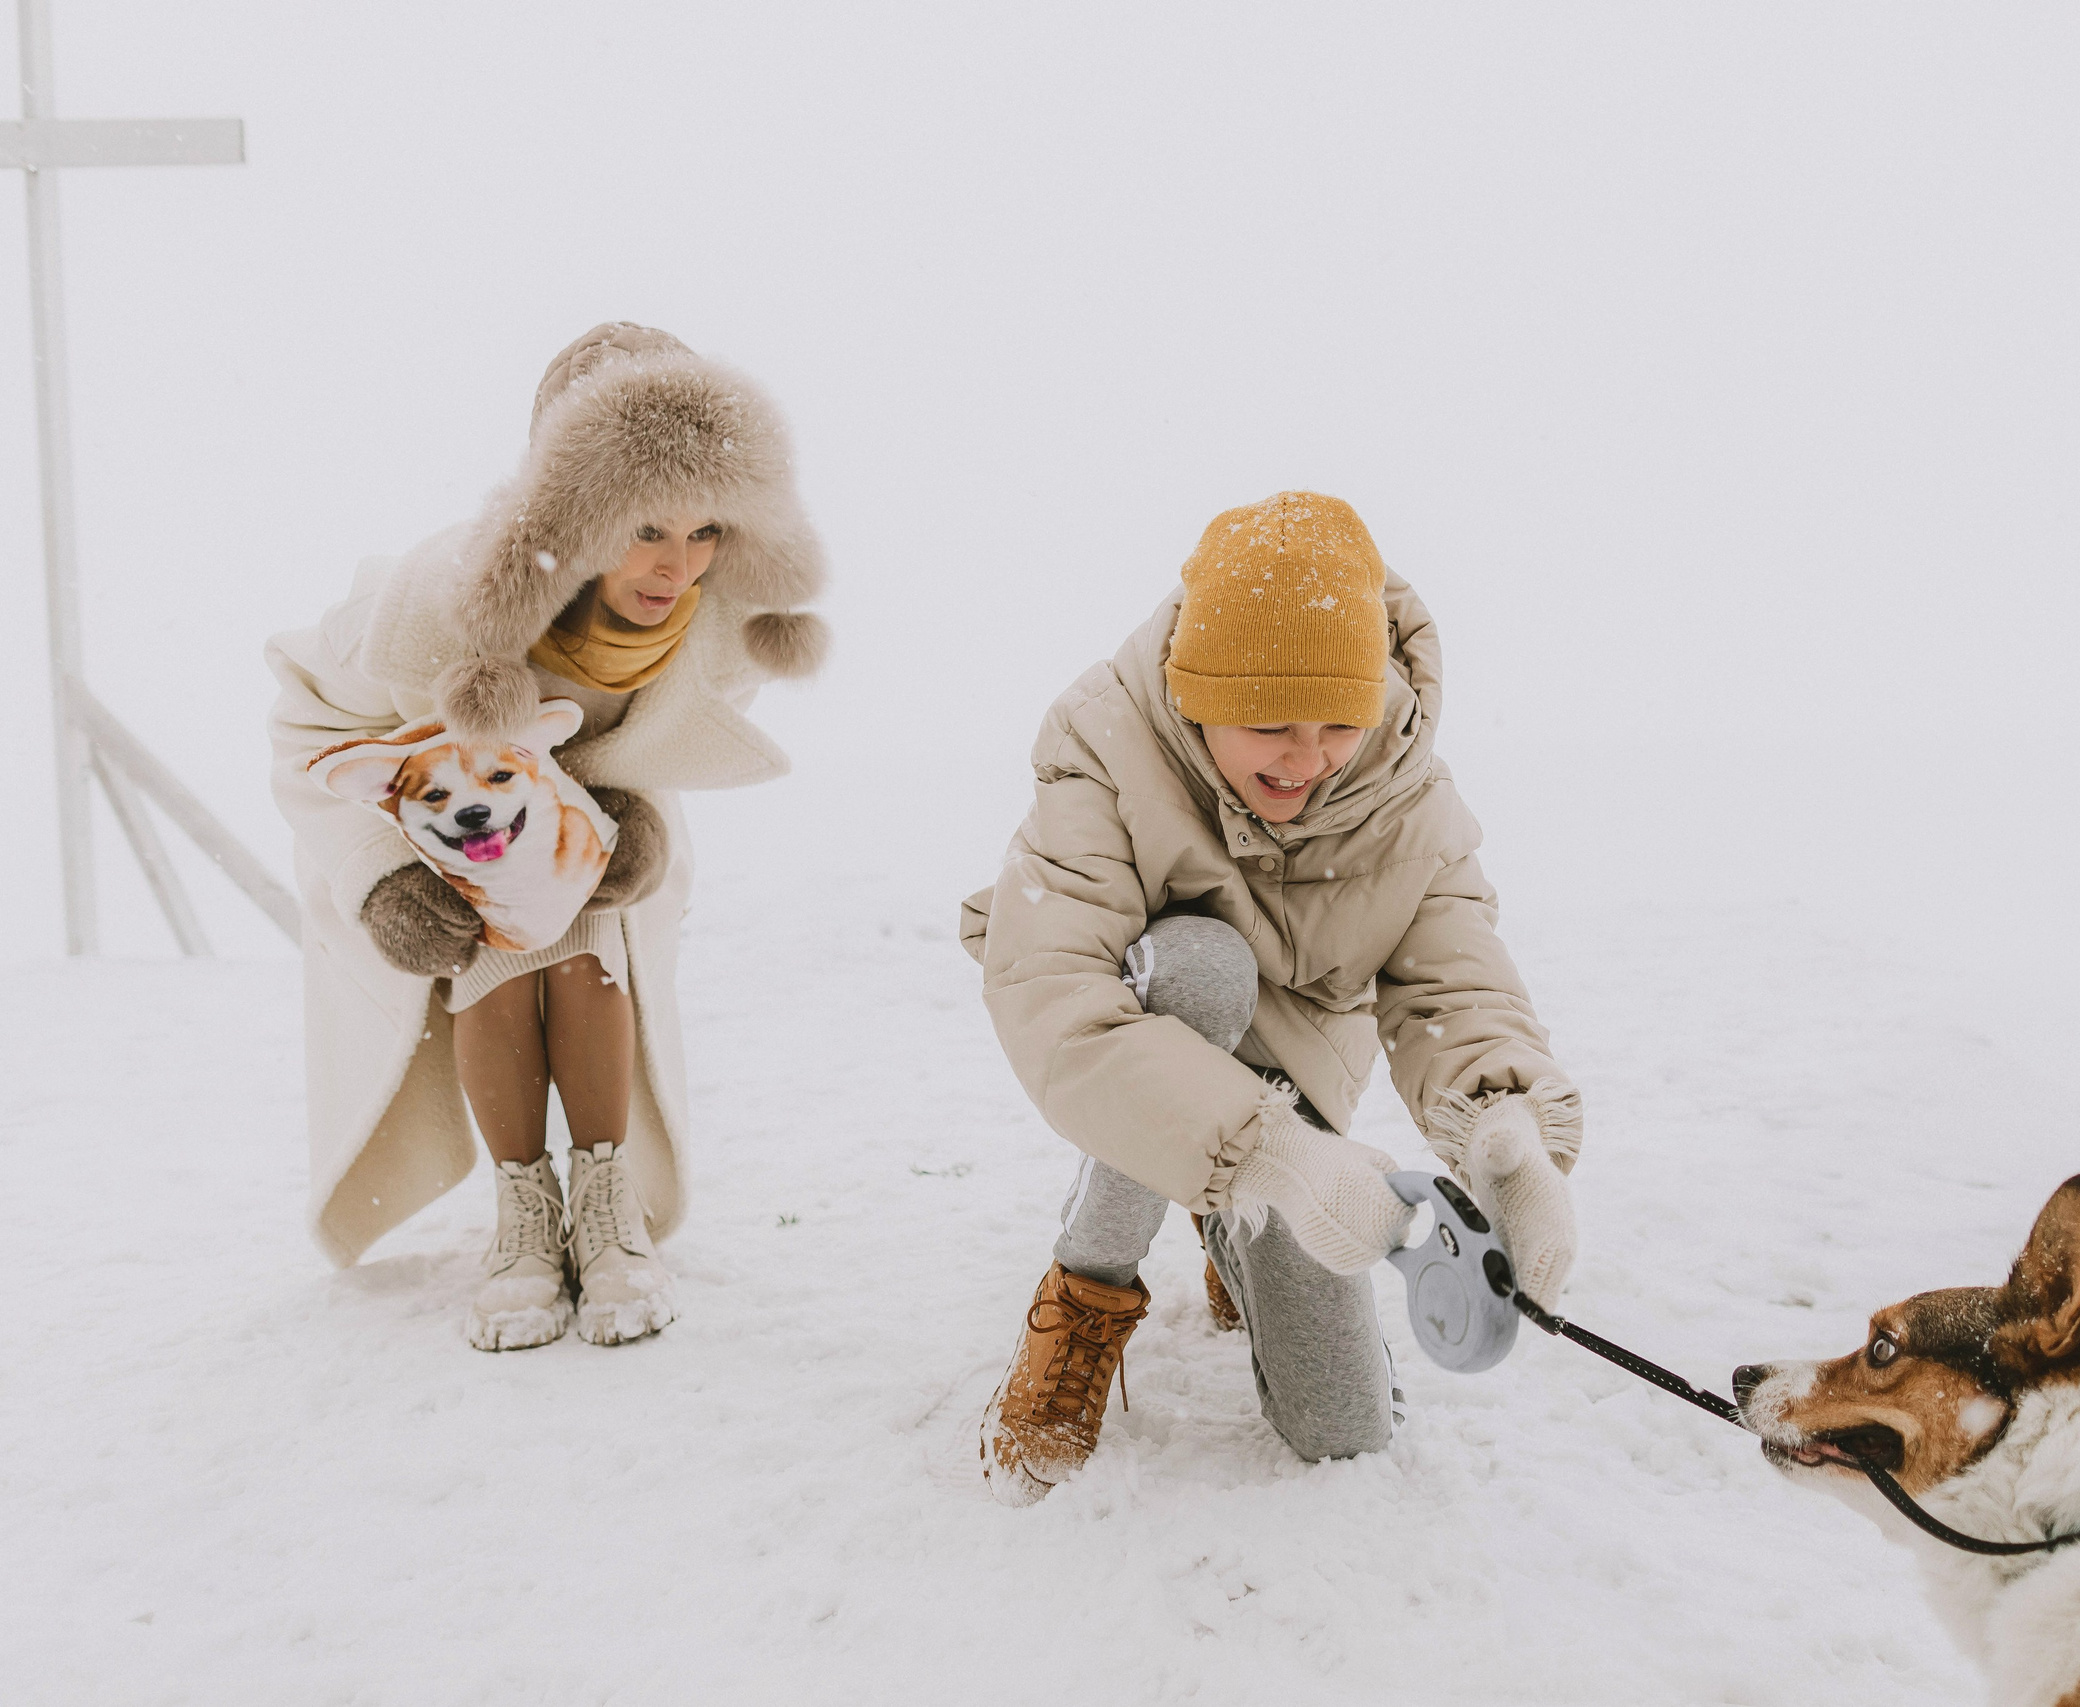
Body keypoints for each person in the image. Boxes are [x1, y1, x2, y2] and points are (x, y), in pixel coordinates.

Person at [962, 490, 1583, 1502]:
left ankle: (1224, 1224)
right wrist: (1273, 1157)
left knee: (1343, 1430)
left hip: (1295, 1078)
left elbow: (1453, 983)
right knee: (1202, 969)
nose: (1306, 759)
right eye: (1266, 725)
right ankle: (1084, 1294)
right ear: (1194, 691)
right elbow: (1060, 1001)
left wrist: (1505, 1127)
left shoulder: (1409, 792)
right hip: (1155, 1017)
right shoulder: (1101, 741)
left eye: (1340, 721)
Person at [267, 323, 828, 1350]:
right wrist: (386, 874)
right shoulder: (427, 605)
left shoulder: (712, 623)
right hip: (446, 842)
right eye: (646, 528)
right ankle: (526, 1214)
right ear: (571, 509)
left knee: (576, 944)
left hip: (587, 870)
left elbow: (654, 758)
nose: (678, 565)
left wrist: (629, 826)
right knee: (501, 942)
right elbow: (307, 721)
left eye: (707, 531)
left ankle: (604, 1209)